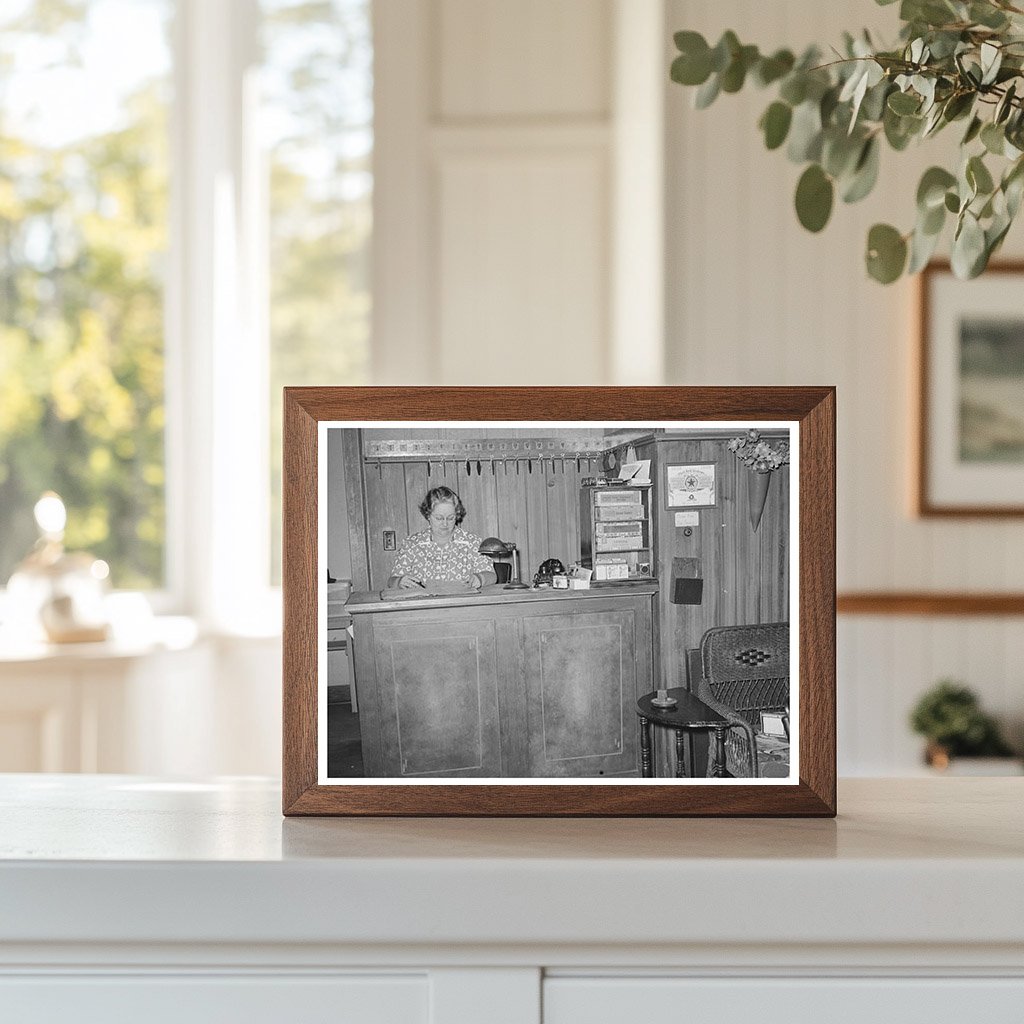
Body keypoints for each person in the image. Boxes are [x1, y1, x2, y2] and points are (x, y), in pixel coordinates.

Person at [386, 486, 497, 590]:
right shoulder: (412, 544)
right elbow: (392, 580)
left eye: (450, 518)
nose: (445, 524)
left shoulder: (472, 542)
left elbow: (491, 575)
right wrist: (399, 581)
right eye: (439, 518)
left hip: (462, 607)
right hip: (423, 608)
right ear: (428, 515)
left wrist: (479, 579)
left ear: (457, 515)